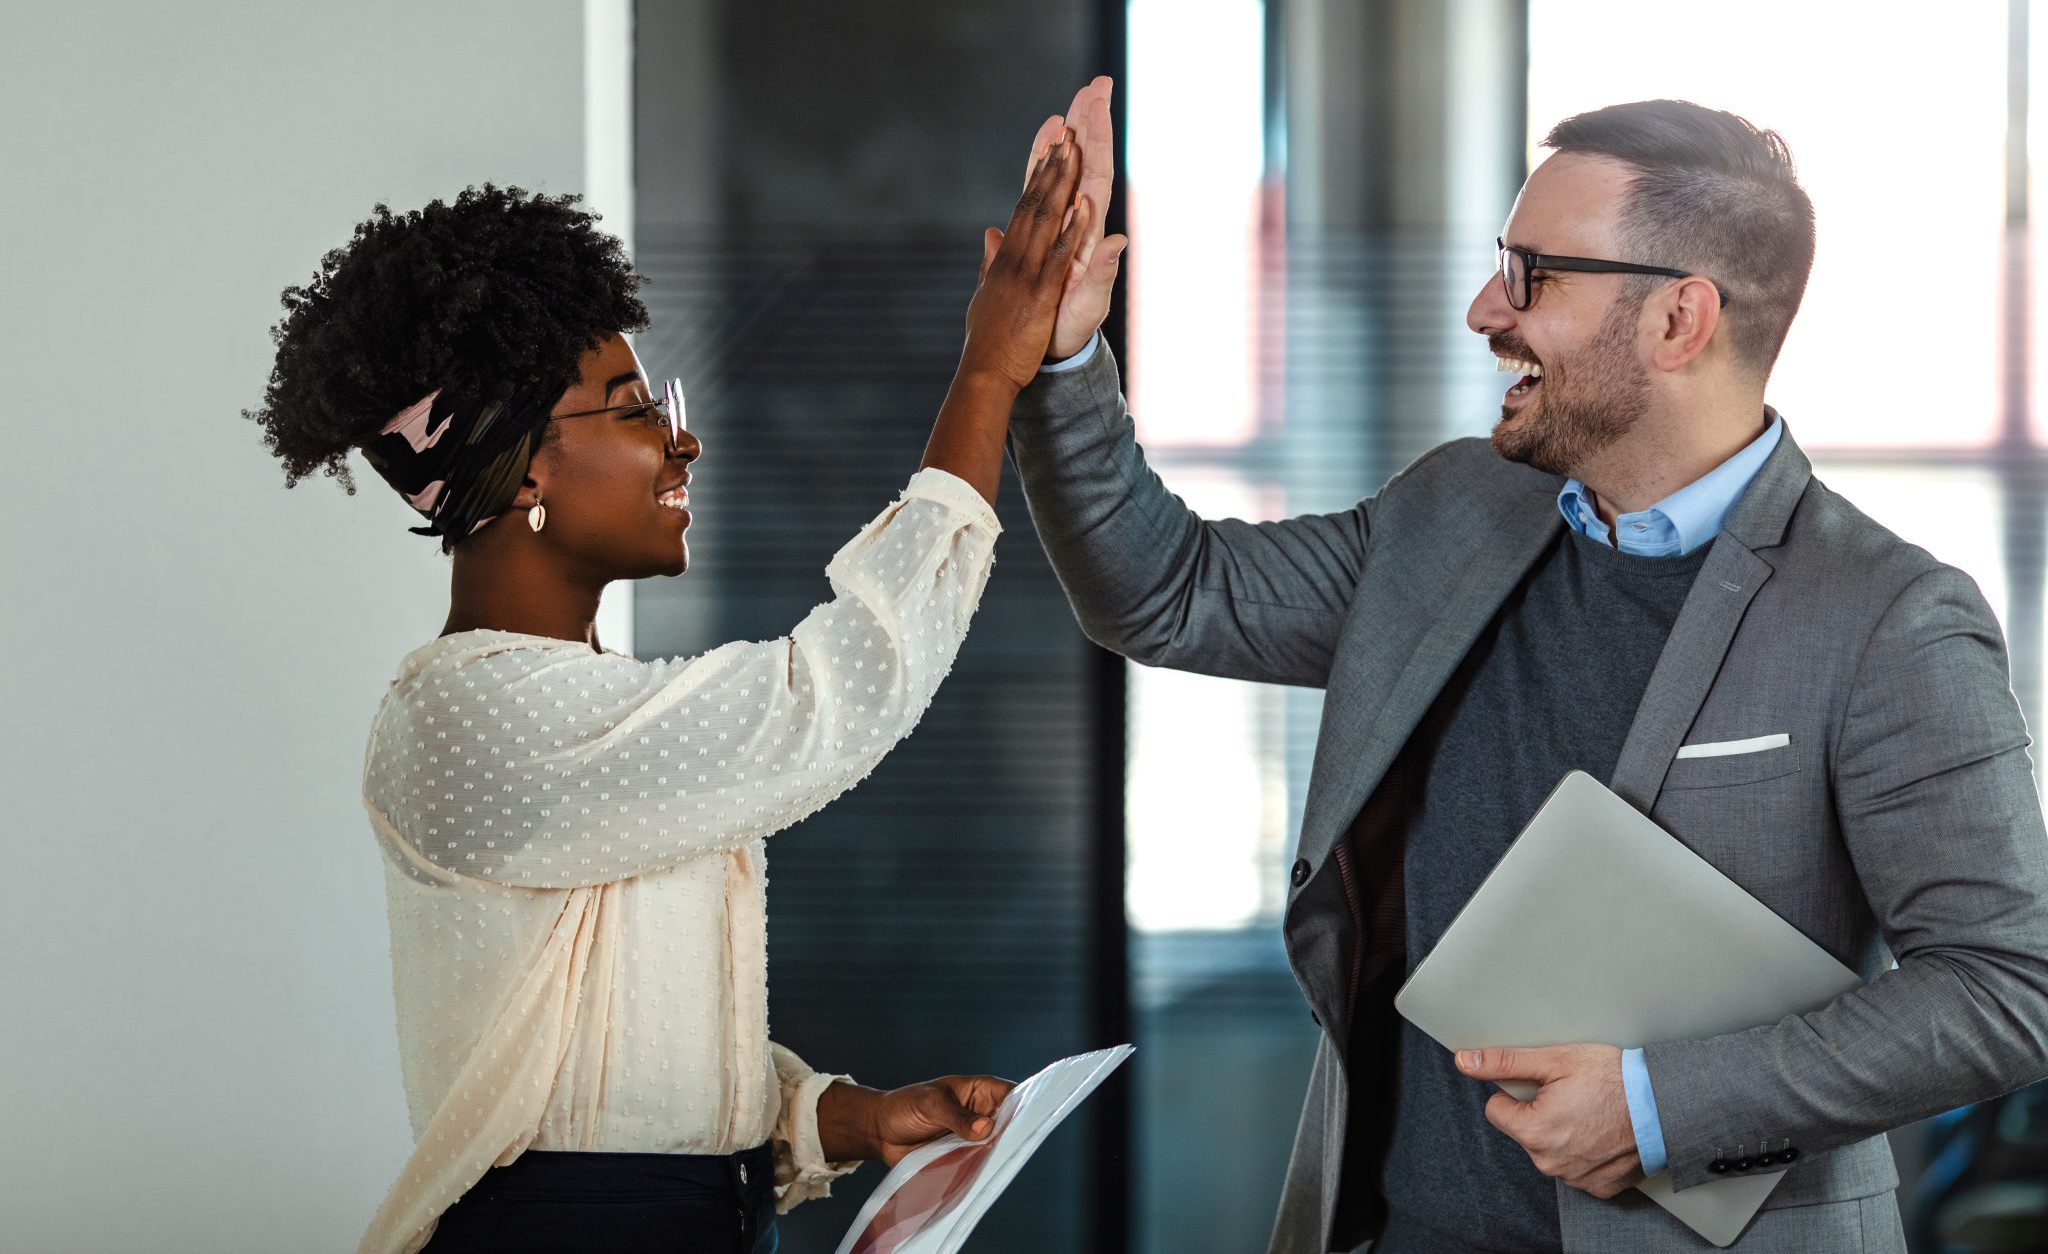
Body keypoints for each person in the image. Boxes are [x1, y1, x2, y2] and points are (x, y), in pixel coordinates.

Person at [1007, 86, 2048, 1252]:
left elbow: (2006, 986)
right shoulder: (1453, 512)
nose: (1481, 308)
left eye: (1530, 273)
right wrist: (1061, 354)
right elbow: (1166, 591)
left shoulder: (1886, 618)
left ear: (1676, 321)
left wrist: (1658, 1109)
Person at [248, 123, 1107, 1254]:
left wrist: (838, 1117)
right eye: (631, 404)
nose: (679, 443)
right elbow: (832, 698)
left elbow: (626, 1060)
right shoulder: (469, 720)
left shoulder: (581, 711)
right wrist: (990, 368)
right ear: (525, 467)